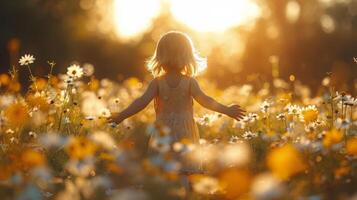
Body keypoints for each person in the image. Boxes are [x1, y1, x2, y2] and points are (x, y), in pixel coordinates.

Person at [110, 31, 245, 198]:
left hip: (163, 135)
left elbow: (141, 101)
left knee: (162, 170)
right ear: (187, 56)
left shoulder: (157, 83)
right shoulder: (189, 82)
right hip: (185, 134)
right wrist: (227, 110)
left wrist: (121, 115)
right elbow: (206, 100)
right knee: (184, 171)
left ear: (160, 56)